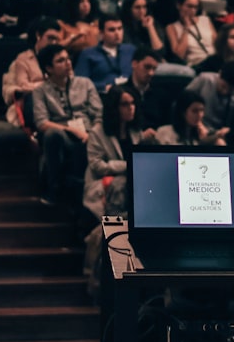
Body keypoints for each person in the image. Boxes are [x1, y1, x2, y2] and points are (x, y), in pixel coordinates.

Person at [31, 44, 102, 207]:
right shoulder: (40, 91)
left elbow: (99, 114)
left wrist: (94, 133)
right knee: (51, 135)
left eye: (68, 59)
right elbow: (42, 123)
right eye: (60, 61)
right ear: (48, 68)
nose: (68, 63)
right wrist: (73, 131)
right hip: (62, 133)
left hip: (90, 132)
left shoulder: (85, 83)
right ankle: (54, 188)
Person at [83, 85, 155, 220]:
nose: (131, 108)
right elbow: (97, 166)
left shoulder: (136, 131)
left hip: (131, 184)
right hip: (102, 185)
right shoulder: (97, 132)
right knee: (121, 183)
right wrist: (128, 166)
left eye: (133, 103)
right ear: (114, 107)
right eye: (125, 104)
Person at [74, 13, 135, 92]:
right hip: (103, 96)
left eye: (120, 29)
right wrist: (103, 87)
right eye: (112, 30)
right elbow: (80, 84)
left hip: (130, 94)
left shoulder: (130, 50)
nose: (117, 33)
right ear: (101, 33)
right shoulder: (87, 54)